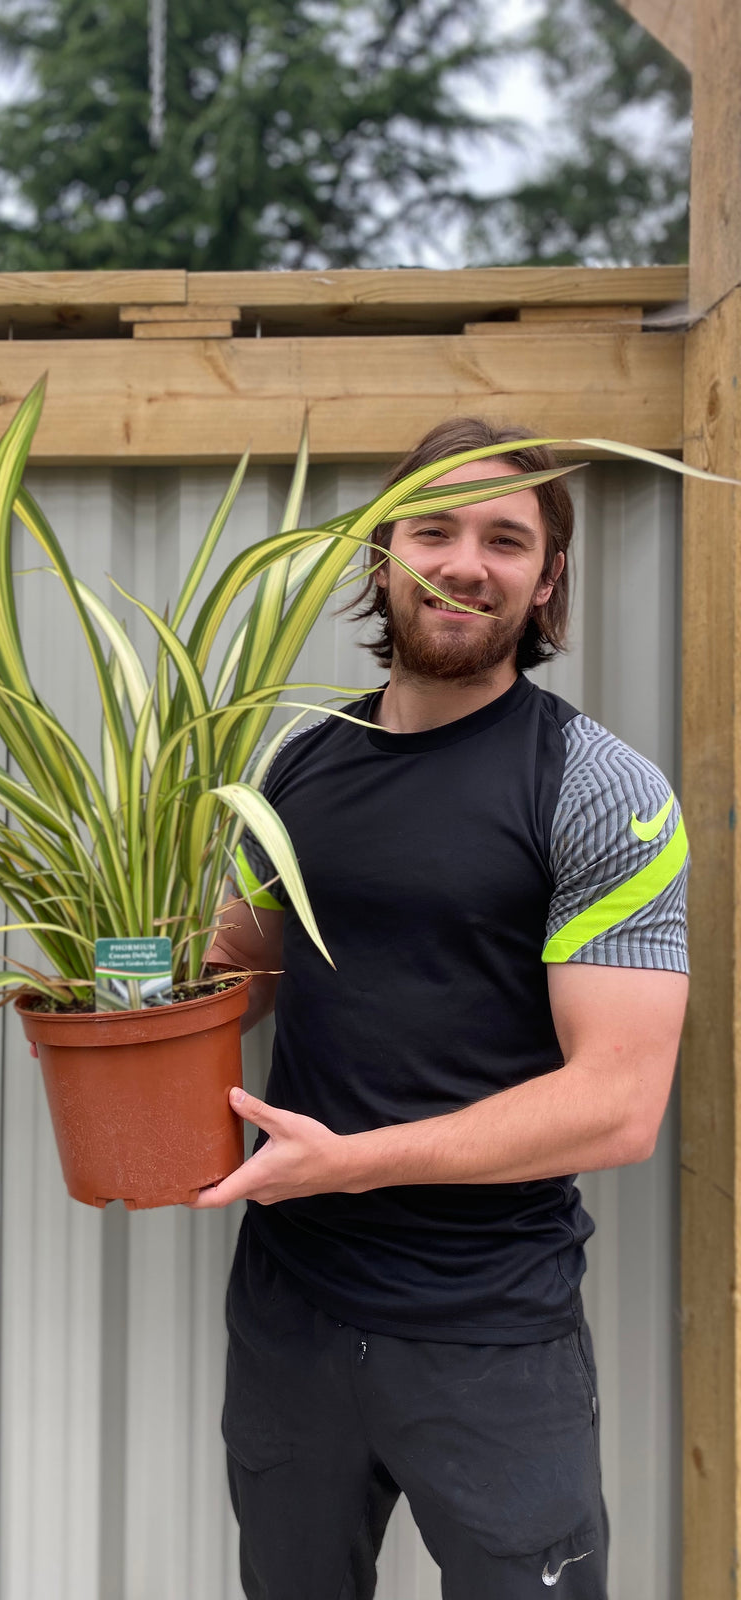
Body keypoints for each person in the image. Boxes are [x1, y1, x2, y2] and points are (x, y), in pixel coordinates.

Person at [191, 418, 689, 1600]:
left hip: (493, 1332)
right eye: (436, 529)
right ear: (381, 555)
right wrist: (101, 995)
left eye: (506, 538)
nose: (467, 561)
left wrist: (353, 1161)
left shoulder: (597, 788)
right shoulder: (295, 769)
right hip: (291, 1313)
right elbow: (239, 972)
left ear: (547, 578)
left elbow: (617, 1106)